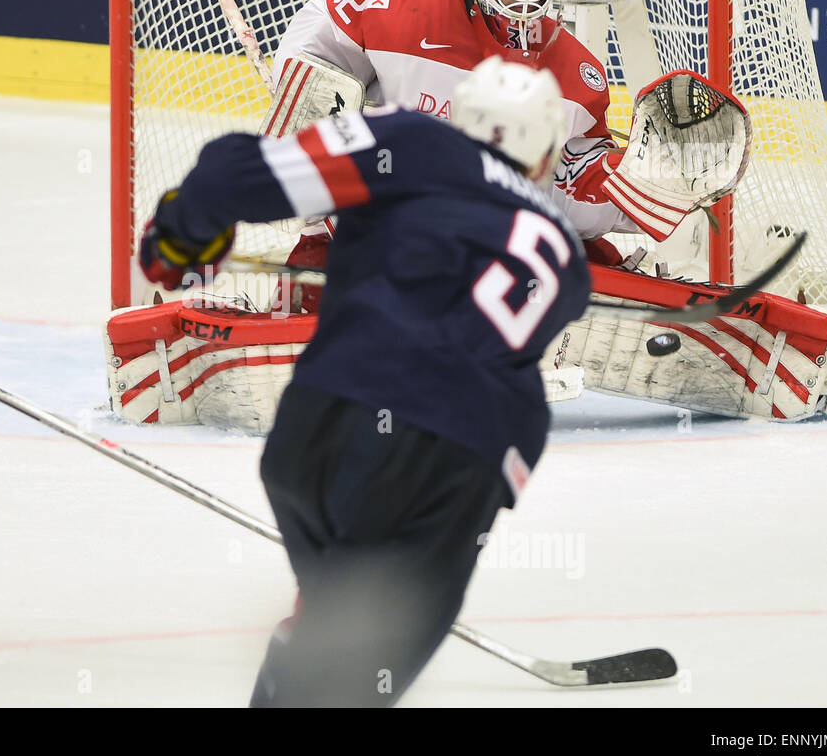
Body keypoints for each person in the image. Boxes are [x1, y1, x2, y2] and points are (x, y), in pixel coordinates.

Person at [138, 56, 591, 706]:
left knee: (323, 633)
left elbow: (236, 175)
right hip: (455, 464)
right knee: (350, 686)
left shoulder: (408, 139)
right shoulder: (565, 255)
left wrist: (183, 235)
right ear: (544, 156)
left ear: (458, 112)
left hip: (319, 431)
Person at [268, 0, 645, 289]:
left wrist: (647, 187)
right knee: (305, 317)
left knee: (595, 286)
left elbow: (572, 190)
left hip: (495, 243)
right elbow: (315, 52)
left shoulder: (575, 74)